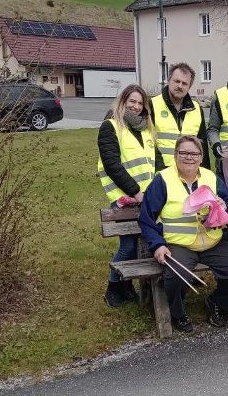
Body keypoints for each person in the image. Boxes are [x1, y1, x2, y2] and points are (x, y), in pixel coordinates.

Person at [138, 135, 228, 333]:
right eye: (184, 153)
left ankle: (217, 302)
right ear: (175, 155)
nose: (189, 157)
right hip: (179, 244)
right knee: (175, 274)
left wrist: (224, 208)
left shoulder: (211, 177)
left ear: (201, 156)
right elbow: (146, 218)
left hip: (212, 242)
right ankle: (178, 313)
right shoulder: (163, 180)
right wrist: (158, 245)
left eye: (194, 153)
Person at [97, 84, 156, 307]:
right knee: (128, 246)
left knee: (141, 243)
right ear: (122, 101)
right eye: (132, 101)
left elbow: (153, 163)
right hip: (124, 197)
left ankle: (127, 284)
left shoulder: (146, 130)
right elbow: (113, 165)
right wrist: (136, 192)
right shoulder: (110, 126)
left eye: (140, 103)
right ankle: (113, 287)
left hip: (145, 197)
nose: (136, 106)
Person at [150, 63, 210, 171]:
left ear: (189, 87)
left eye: (184, 83)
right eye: (177, 81)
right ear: (169, 80)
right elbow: (148, 143)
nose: (180, 86)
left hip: (189, 172)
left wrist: (205, 173)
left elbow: (202, 145)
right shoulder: (152, 105)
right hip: (161, 172)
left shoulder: (196, 108)